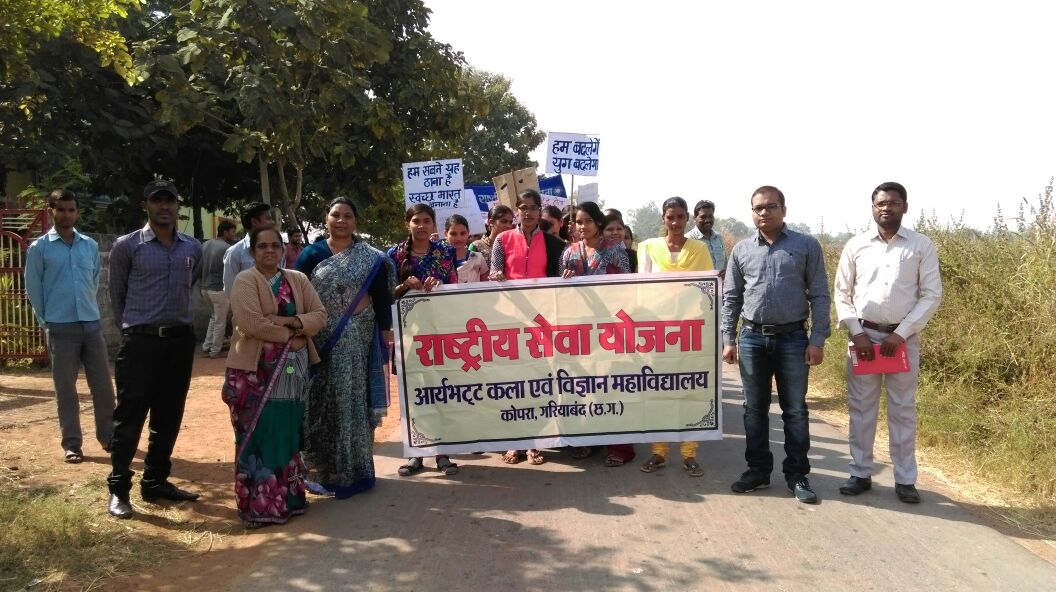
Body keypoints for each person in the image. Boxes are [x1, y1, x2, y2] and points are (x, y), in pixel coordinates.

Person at [834, 182, 942, 504]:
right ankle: (860, 473)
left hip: (902, 341)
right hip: (864, 340)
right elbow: (841, 292)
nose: (886, 207)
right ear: (872, 207)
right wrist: (857, 332)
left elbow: (931, 294)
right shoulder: (856, 245)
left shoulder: (921, 245)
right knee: (861, 409)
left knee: (903, 410)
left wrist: (901, 333)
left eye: (893, 202)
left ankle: (905, 480)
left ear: (904, 207)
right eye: (880, 203)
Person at [721, 186, 831, 504]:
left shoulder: (806, 245)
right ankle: (757, 471)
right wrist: (729, 339)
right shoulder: (742, 250)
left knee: (794, 410)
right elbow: (731, 297)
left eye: (770, 207)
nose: (764, 213)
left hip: (793, 338)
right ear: (751, 212)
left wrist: (817, 340)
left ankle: (797, 475)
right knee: (753, 409)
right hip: (752, 338)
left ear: (784, 210)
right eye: (758, 208)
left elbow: (820, 295)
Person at [106, 180, 203, 519]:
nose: (164, 207)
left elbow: (191, 283)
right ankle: (119, 489)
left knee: (169, 415)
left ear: (177, 207)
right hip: (141, 342)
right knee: (130, 416)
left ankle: (155, 481)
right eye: (157, 201)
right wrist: (135, 329)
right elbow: (116, 295)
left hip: (179, 342)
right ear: (145, 205)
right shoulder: (127, 246)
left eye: (169, 201)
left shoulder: (192, 248)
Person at [223, 227, 326, 528]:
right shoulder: (246, 280)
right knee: (259, 433)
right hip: (254, 372)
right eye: (262, 246)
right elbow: (251, 323)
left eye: (275, 246)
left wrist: (288, 321)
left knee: (287, 430)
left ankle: (289, 500)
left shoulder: (298, 279)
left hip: (292, 370)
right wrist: (293, 335)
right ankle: (257, 507)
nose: (269, 251)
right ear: (252, 251)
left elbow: (319, 315)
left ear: (282, 250)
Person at [294, 197, 394, 498]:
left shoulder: (370, 257)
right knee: (322, 401)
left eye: (347, 216)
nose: (341, 220)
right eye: (335, 215)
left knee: (352, 399)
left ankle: (355, 471)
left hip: (358, 336)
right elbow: (296, 292)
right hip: (319, 337)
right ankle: (325, 470)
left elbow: (381, 298)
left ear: (355, 221)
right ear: (326, 219)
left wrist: (386, 332)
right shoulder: (311, 254)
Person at [24, 189, 115, 464]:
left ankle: (109, 437)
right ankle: (72, 444)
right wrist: (47, 321)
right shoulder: (39, 248)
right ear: (51, 211)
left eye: (71, 210)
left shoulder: (88, 245)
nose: (67, 215)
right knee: (66, 389)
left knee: (103, 386)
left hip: (91, 324)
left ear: (77, 212)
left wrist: (88, 312)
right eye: (61, 209)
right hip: (60, 328)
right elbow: (33, 288)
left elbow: (95, 280)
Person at [637, 197, 713, 478]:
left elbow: (707, 290)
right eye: (670, 217)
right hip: (657, 335)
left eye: (680, 217)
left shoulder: (699, 249)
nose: (676, 222)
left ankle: (689, 454)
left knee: (688, 392)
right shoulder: (648, 247)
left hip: (689, 333)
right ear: (663, 218)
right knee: (658, 392)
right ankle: (658, 452)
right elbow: (640, 291)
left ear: (687, 218)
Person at [490, 189, 567, 465]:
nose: (529, 212)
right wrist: (496, 275)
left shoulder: (555, 244)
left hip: (542, 323)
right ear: (517, 211)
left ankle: (537, 442)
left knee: (540, 382)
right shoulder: (502, 240)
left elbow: (560, 283)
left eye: (534, 208)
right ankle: (515, 441)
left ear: (540, 210)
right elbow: (494, 272)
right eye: (523, 207)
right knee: (514, 382)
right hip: (511, 323)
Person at [388, 204, 460, 476]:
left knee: (440, 391)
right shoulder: (394, 255)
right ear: (407, 223)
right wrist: (404, 286)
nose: (421, 225)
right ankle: (415, 455)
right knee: (412, 394)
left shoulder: (445, 252)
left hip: (439, 333)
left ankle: (443, 454)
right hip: (408, 335)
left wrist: (439, 286)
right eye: (416, 221)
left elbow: (454, 287)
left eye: (426, 221)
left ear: (434, 225)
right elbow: (387, 293)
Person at [560, 203, 632, 466]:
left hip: (610, 328)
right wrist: (566, 280)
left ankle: (620, 448)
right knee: (583, 386)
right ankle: (586, 442)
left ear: (598, 222)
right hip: (579, 329)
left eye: (588, 221)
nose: (583, 226)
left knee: (612, 386)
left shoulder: (614, 250)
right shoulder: (569, 252)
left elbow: (627, 285)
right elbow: (558, 294)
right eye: (579, 222)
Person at [223, 202, 284, 297]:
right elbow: (230, 289)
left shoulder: (279, 248)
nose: (272, 222)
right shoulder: (234, 252)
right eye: (268, 218)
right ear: (254, 222)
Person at [200, 220, 237, 358]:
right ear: (225, 232)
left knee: (214, 317)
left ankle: (207, 346)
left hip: (205, 289)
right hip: (218, 289)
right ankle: (215, 350)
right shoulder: (227, 248)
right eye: (232, 232)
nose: (234, 235)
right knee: (220, 321)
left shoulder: (205, 244)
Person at [468, 204, 515, 279]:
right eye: (504, 221)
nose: (508, 226)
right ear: (491, 222)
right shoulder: (476, 246)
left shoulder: (514, 245)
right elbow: (469, 274)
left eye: (510, 222)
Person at [686, 199, 728, 279]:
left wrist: (726, 272)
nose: (707, 220)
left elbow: (725, 263)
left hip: (720, 284)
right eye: (703, 217)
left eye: (710, 216)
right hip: (698, 284)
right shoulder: (688, 239)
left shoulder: (718, 238)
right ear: (695, 218)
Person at [445, 214, 488, 283]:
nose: (458, 238)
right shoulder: (439, 260)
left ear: (468, 233)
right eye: (453, 234)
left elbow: (486, 284)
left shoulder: (478, 258)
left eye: (463, 233)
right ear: (446, 234)